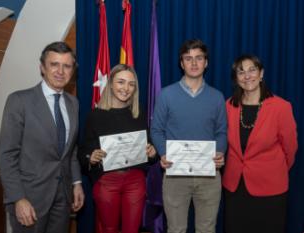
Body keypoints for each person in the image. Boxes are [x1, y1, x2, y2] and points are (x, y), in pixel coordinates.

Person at [0, 41, 84, 233]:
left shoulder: (73, 103)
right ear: (42, 68)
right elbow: (7, 155)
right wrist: (18, 198)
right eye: (54, 64)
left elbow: (71, 150)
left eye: (67, 66)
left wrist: (76, 183)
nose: (60, 71)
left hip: (63, 198)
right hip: (29, 199)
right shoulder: (19, 100)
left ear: (72, 71)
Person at [150, 39, 227, 233]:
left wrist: (219, 152)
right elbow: (156, 130)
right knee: (176, 229)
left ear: (206, 62)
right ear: (181, 63)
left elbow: (221, 131)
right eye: (188, 58)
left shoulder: (217, 97)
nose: (194, 63)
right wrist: (165, 153)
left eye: (198, 58)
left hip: (209, 175)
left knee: (207, 229)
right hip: (175, 173)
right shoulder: (166, 95)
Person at [78, 64, 157, 233]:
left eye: (131, 84)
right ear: (111, 83)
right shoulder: (95, 115)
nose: (126, 88)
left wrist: (152, 151)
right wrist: (90, 157)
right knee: (109, 229)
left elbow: (148, 145)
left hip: (135, 180)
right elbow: (83, 150)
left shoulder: (138, 113)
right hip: (106, 181)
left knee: (132, 229)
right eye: (121, 82)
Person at [222, 55, 298, 233]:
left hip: (270, 188)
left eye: (252, 70)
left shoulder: (281, 107)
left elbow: (291, 148)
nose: (247, 76)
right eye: (241, 72)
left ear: (261, 73)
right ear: (236, 78)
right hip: (235, 189)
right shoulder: (228, 106)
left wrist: (274, 169)